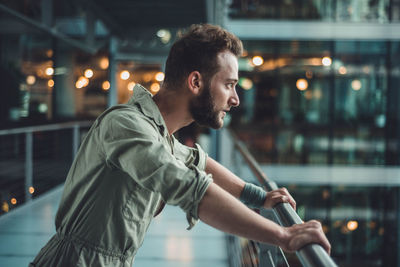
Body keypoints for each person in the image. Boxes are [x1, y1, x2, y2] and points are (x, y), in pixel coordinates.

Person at [30, 24, 330, 267]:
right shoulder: (126, 125)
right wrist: (283, 235)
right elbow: (190, 187)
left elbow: (199, 162)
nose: (236, 99)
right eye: (229, 84)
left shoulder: (158, 134)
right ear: (196, 82)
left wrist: (261, 197)